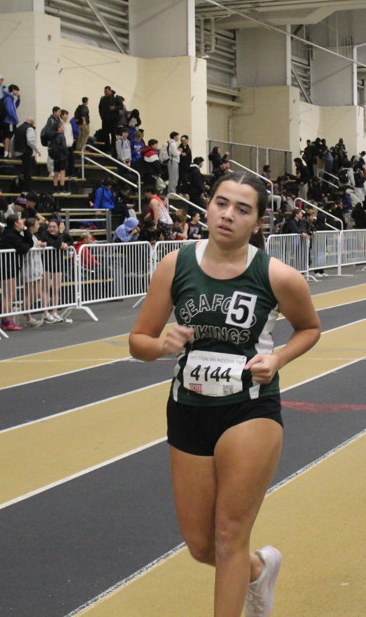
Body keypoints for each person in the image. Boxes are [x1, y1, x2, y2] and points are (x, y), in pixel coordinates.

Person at [128, 171, 320, 617]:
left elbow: (309, 328)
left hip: (249, 408)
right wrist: (161, 345)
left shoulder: (277, 276)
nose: (228, 215)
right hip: (188, 408)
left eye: (242, 209)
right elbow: (138, 342)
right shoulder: (175, 265)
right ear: (208, 207)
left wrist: (278, 359)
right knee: (201, 545)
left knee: (229, 535)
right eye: (221, 203)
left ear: (258, 222)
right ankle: (258, 570)